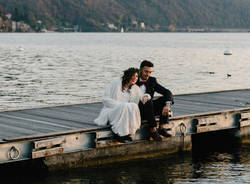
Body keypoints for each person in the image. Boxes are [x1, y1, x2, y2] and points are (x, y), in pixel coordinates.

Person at [94, 67, 151, 143]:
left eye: (137, 76)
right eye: (133, 75)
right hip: (111, 111)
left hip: (125, 112)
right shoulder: (115, 83)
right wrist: (120, 105)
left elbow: (142, 96)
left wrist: (146, 96)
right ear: (127, 76)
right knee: (125, 106)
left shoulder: (135, 88)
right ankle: (117, 133)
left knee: (133, 106)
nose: (135, 78)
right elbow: (105, 99)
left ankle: (127, 133)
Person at [137, 60, 174, 141]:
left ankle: (161, 128)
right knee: (148, 100)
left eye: (150, 72)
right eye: (146, 72)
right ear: (140, 70)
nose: (148, 74)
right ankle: (153, 130)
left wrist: (167, 105)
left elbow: (167, 92)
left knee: (164, 100)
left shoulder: (152, 80)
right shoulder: (133, 79)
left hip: (149, 109)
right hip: (137, 109)